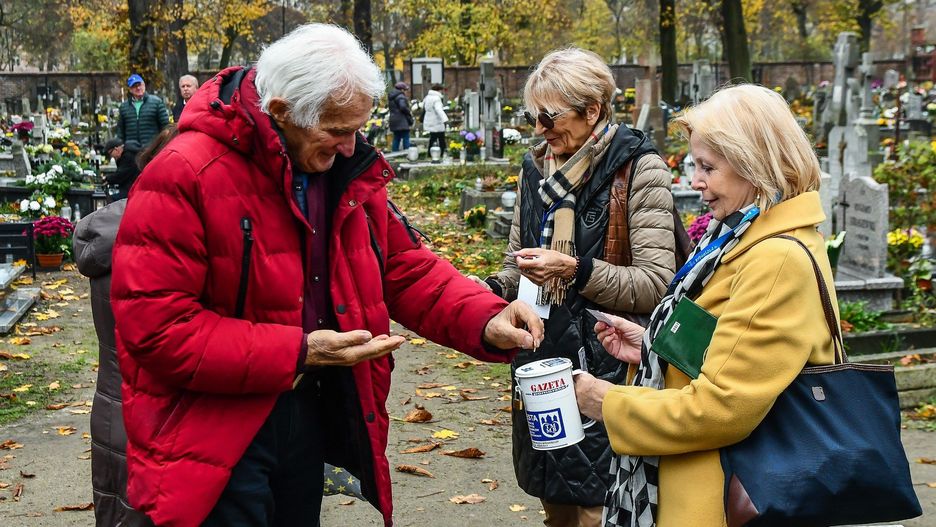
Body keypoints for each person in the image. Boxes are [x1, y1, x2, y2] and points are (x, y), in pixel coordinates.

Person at [109, 23, 544, 527]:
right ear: (281, 113)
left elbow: (402, 265)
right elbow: (156, 328)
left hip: (302, 410)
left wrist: (485, 319)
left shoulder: (340, 168)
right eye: (337, 131)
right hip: (208, 426)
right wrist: (299, 351)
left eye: (357, 129)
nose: (349, 145)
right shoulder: (185, 172)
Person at [573, 83, 837, 527]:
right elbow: (736, 351)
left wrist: (608, 403)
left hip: (719, 500)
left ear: (755, 164)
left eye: (707, 167)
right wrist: (654, 349)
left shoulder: (775, 258)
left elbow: (721, 408)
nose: (695, 181)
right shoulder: (743, 239)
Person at [470, 48, 677, 526]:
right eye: (533, 116)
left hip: (605, 367)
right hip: (540, 361)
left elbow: (653, 284)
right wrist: (484, 289)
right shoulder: (535, 168)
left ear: (593, 111)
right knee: (555, 503)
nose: (539, 129)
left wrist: (574, 270)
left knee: (599, 508)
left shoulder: (638, 168)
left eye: (549, 116)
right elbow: (516, 264)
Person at [75, 199, 153, 527]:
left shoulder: (107, 232)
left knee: (114, 508)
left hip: (109, 406)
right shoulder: (162, 240)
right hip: (152, 415)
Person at [117, 74, 169, 147]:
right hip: (131, 150)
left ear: (144, 85)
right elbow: (120, 131)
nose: (138, 88)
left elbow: (165, 126)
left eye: (140, 85)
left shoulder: (156, 102)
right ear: (130, 89)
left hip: (152, 148)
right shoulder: (124, 107)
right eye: (134, 86)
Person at [102, 138, 141, 202]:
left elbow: (122, 174)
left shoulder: (128, 156)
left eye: (110, 153)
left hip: (133, 189)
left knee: (110, 200)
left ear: (116, 149)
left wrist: (107, 178)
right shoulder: (129, 153)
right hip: (132, 186)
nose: (112, 157)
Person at [422, 83, 448, 155]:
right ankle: (443, 153)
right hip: (437, 121)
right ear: (439, 90)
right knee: (441, 138)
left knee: (432, 138)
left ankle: (429, 153)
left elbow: (423, 106)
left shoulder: (427, 97)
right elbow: (438, 109)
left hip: (429, 120)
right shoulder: (437, 98)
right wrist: (445, 119)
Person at [387, 81, 413, 151]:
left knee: (396, 138)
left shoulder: (391, 96)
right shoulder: (400, 96)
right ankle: (407, 152)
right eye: (405, 90)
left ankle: (394, 153)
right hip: (402, 120)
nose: (406, 92)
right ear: (401, 90)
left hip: (394, 120)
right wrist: (408, 112)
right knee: (406, 137)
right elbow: (403, 107)